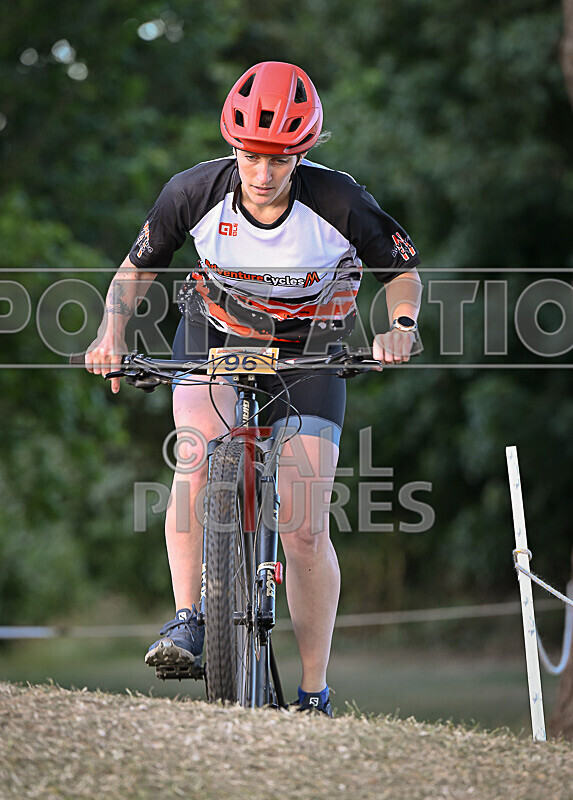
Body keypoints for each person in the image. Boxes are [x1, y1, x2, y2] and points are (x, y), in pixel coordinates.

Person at [86, 61, 422, 716]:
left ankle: (313, 689)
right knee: (193, 459)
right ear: (231, 144)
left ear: (303, 152)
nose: (262, 174)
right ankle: (189, 617)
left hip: (310, 348)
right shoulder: (191, 192)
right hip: (213, 334)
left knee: (301, 525)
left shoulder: (341, 201)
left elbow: (401, 275)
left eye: (279, 158)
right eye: (250, 155)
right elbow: (133, 272)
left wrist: (401, 327)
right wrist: (111, 334)